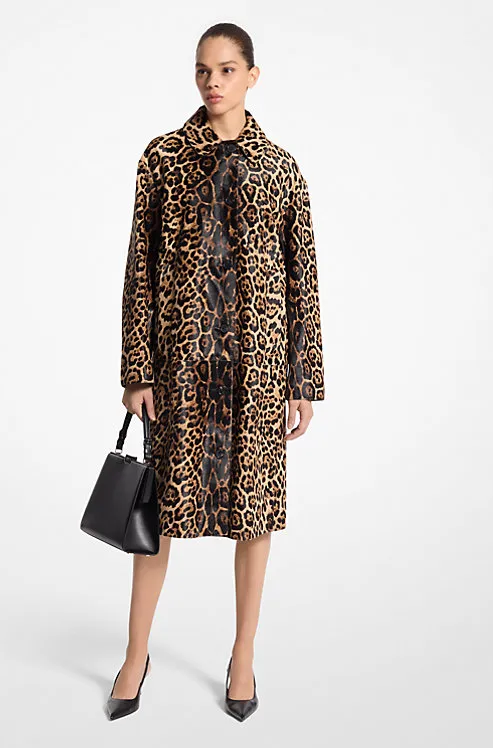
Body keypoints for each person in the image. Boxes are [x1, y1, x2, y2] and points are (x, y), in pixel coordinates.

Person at [107, 22, 325, 722]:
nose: (213, 82)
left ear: (252, 75)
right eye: (203, 69)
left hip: (258, 369)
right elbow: (140, 269)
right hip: (179, 369)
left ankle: (243, 654)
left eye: (227, 69)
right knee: (158, 514)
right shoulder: (162, 158)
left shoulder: (282, 169)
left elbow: (302, 279)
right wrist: (137, 369)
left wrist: (303, 380)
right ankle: (135, 655)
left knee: (255, 514)